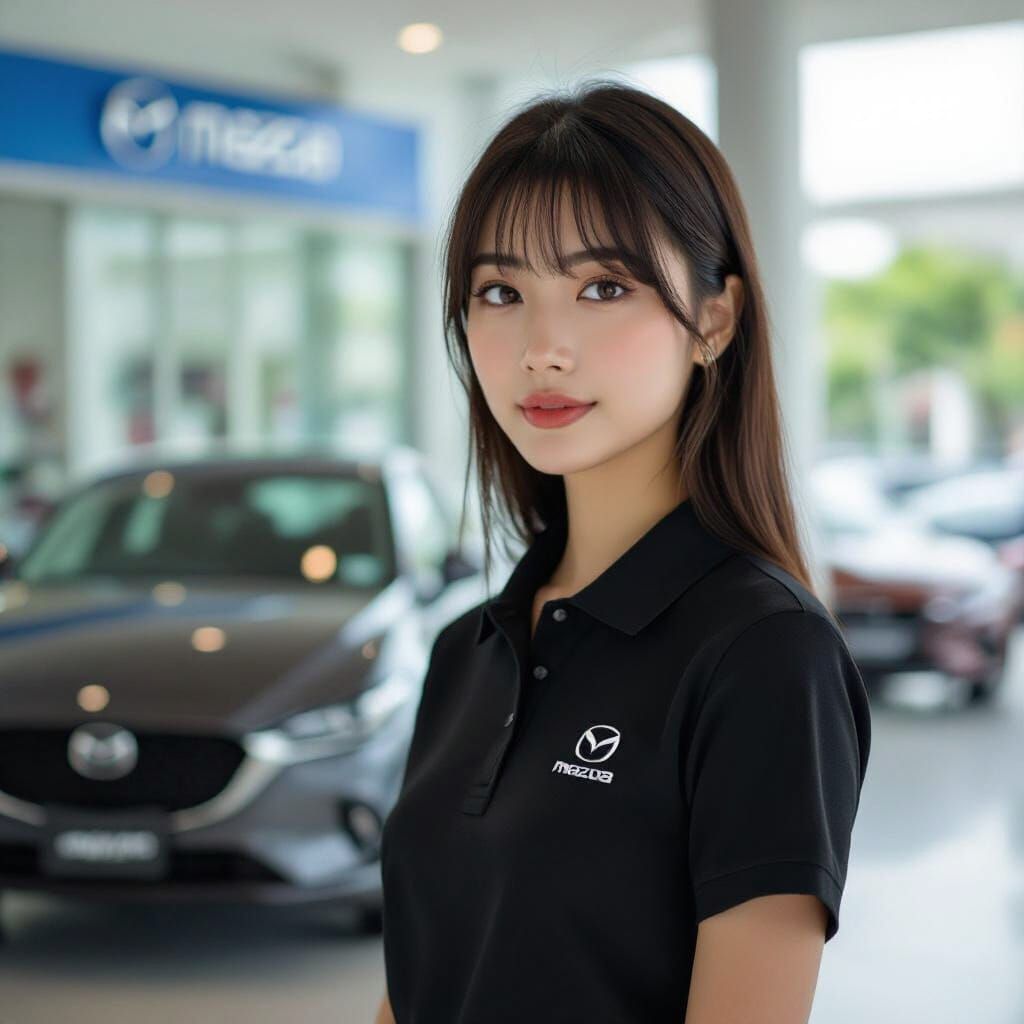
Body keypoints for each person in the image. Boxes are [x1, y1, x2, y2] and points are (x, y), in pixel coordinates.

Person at [374, 78, 871, 1024]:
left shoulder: (766, 654)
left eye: (604, 287)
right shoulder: (465, 652)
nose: (542, 347)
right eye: (500, 291)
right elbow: (416, 984)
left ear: (715, 319)